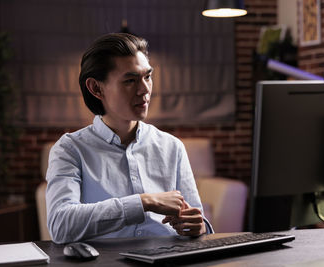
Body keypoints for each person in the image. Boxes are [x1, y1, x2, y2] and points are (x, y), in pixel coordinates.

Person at [46, 33, 213, 244]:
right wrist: (144, 202)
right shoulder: (70, 149)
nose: (144, 90)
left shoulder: (172, 147)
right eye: (130, 80)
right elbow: (61, 225)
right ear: (96, 88)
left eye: (148, 77)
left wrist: (198, 227)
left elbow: (197, 223)